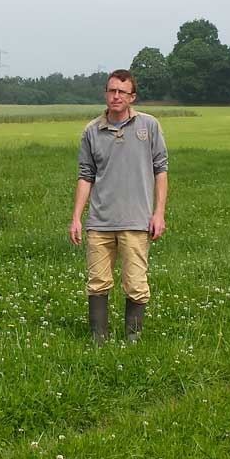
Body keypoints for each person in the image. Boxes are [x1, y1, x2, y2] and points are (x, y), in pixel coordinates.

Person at [69, 69, 168, 344]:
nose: (115, 96)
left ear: (131, 97)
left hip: (137, 222)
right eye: (111, 91)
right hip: (100, 223)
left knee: (136, 284)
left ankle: (132, 339)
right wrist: (77, 217)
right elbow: (85, 175)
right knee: (97, 283)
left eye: (121, 92)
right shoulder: (92, 131)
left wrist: (159, 213)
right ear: (105, 94)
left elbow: (161, 170)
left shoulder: (149, 126)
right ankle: (99, 340)